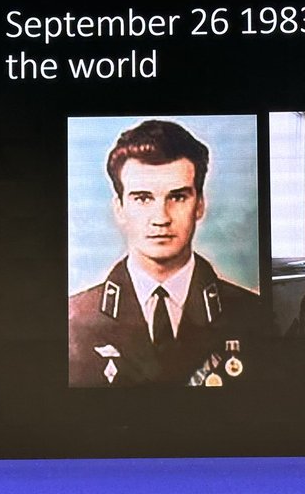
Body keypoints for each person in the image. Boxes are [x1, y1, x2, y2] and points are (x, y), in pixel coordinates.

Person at [68, 119, 260, 387]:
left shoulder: (252, 314)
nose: (161, 218)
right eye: (142, 198)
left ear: (199, 205)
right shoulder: (75, 320)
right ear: (119, 209)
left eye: (178, 197)